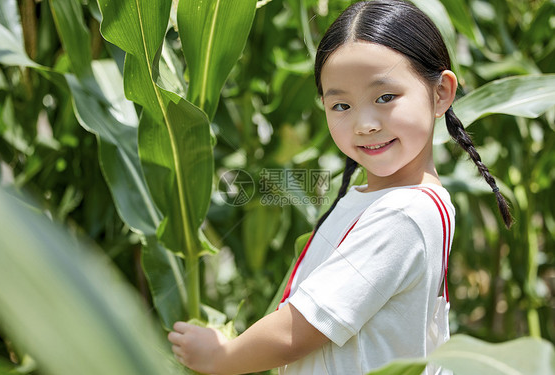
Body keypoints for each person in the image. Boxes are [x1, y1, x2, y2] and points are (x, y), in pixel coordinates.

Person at [167, 1, 512, 374]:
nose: (364, 123)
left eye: (385, 98)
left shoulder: (403, 215)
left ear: (441, 93)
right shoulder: (395, 202)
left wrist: (221, 357)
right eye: (341, 105)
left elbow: (298, 332)